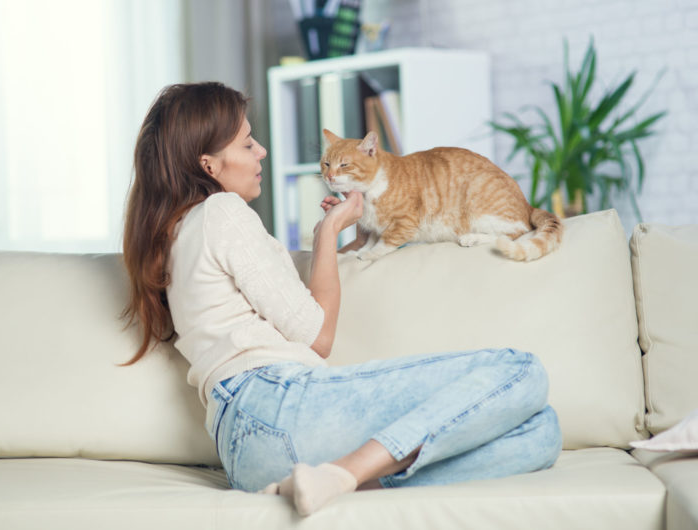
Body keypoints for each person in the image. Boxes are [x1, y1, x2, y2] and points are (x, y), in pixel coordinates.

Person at [122, 82, 562, 517]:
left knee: (541, 434)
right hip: (276, 404)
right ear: (209, 164)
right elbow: (317, 336)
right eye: (247, 143)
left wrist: (335, 236)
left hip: (246, 452)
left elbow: (283, 302)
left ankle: (334, 482)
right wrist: (329, 231)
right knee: (522, 370)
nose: (262, 152)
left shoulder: (177, 231)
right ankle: (343, 476)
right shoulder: (223, 212)